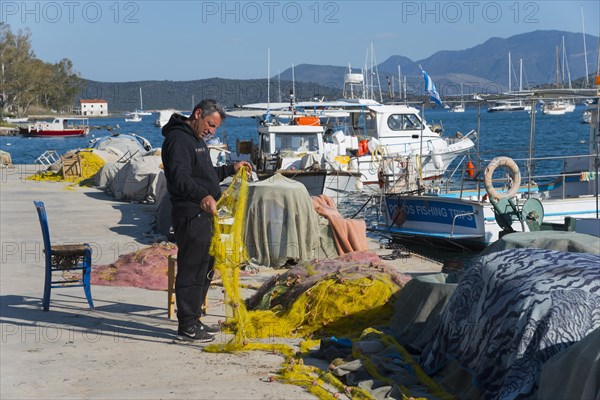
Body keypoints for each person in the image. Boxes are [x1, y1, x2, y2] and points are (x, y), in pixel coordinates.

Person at [161, 99, 251, 343]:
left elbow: (205, 175)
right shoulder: (178, 140)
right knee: (191, 268)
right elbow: (180, 179)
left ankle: (195, 319)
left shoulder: (197, 140)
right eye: (210, 124)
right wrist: (202, 196)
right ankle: (187, 326)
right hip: (191, 214)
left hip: (206, 214)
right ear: (198, 114)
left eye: (215, 128)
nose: (211, 131)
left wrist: (231, 169)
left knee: (206, 267)